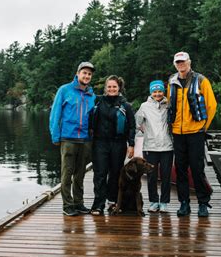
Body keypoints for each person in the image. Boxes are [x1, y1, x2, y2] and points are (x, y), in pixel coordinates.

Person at [167, 51, 217, 217]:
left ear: (189, 62)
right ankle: (184, 203)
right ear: (175, 64)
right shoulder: (171, 81)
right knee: (180, 169)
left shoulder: (201, 80)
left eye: (183, 62)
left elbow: (211, 105)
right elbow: (169, 105)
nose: (181, 65)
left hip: (195, 132)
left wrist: (204, 127)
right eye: (178, 62)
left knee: (197, 169)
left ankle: (203, 202)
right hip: (178, 133)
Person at [49, 62, 96, 216]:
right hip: (67, 138)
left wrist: (92, 137)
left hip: (84, 139)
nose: (87, 76)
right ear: (77, 74)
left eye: (89, 74)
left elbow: (92, 118)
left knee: (80, 174)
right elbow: (55, 114)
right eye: (84, 73)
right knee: (67, 173)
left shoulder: (91, 95)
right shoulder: (64, 90)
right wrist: (55, 135)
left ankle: (78, 203)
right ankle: (67, 205)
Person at [89, 75, 136, 216]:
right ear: (105, 88)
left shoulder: (125, 105)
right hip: (100, 143)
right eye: (109, 86)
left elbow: (132, 127)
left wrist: (131, 144)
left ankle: (113, 201)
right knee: (100, 174)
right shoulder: (97, 101)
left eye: (114, 87)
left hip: (118, 143)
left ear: (119, 88)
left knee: (115, 173)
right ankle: (98, 204)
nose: (111, 89)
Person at [135, 80, 174, 213]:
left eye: (160, 91)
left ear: (163, 92)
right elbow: (136, 122)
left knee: (166, 176)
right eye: (154, 91)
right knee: (151, 176)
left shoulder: (169, 104)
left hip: (167, 146)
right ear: (151, 92)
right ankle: (153, 201)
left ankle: (164, 202)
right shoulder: (144, 106)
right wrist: (143, 131)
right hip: (150, 147)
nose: (157, 94)